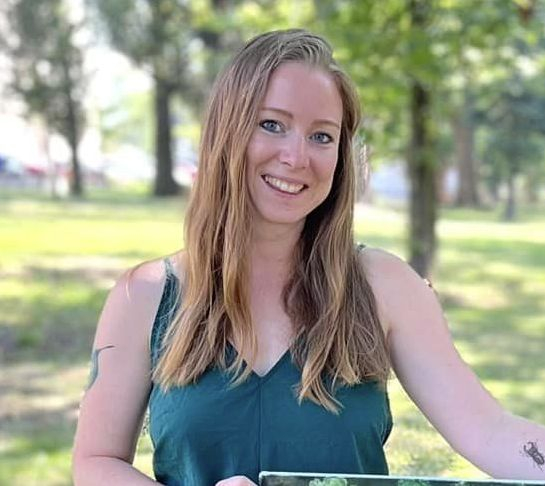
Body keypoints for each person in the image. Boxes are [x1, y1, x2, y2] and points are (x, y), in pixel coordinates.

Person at [72, 29, 545, 486]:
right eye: (271, 125)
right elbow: (95, 461)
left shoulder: (385, 286)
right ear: (225, 132)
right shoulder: (144, 296)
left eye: (322, 136)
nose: (297, 157)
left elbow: (490, 432)